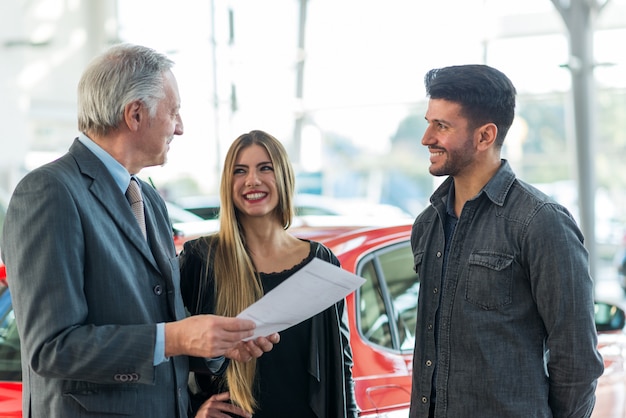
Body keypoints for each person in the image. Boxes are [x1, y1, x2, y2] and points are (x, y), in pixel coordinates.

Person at [1, 44, 277, 418]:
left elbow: (163, 328)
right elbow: (52, 348)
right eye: (174, 112)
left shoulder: (148, 198)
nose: (180, 127)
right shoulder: (48, 192)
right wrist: (178, 337)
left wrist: (214, 344)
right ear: (135, 114)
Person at [408, 64, 604, 418]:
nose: (426, 138)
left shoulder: (540, 221)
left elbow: (577, 360)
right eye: (428, 122)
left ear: (485, 136)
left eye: (442, 126)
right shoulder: (428, 224)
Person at [179, 130, 359, 418]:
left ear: (284, 177)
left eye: (265, 168)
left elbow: (343, 364)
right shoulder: (199, 259)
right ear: (228, 182)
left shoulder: (320, 262)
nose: (252, 180)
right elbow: (172, 355)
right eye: (240, 171)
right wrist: (193, 413)